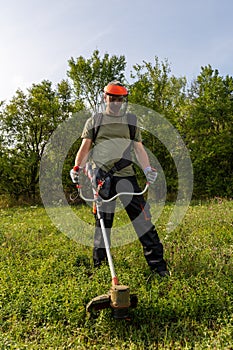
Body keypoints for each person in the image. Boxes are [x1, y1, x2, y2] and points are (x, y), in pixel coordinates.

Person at [70, 80, 170, 277]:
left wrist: (147, 168)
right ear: (105, 97)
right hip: (102, 179)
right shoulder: (95, 121)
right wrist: (76, 168)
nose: (116, 102)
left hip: (126, 177)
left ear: (124, 100)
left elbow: (139, 149)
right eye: (112, 98)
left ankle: (159, 268)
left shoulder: (131, 121)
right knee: (103, 225)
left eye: (120, 99)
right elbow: (85, 148)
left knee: (144, 220)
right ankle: (99, 270)